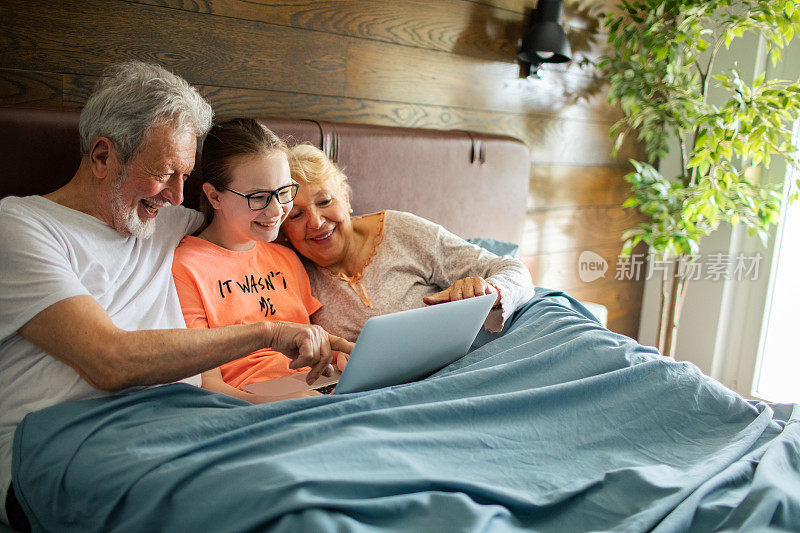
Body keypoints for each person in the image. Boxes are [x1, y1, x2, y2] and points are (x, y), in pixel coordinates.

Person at [0, 62, 351, 529]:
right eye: (165, 173)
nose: (178, 196)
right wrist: (267, 332)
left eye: (186, 177)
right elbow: (110, 361)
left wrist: (373, 233)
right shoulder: (21, 228)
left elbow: (255, 222)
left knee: (319, 480)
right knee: (263, 505)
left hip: (186, 419)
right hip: (65, 437)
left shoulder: (166, 222)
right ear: (102, 157)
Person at [281, 144, 536, 343]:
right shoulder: (286, 269)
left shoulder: (402, 231)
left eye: (324, 202)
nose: (315, 222)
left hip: (460, 363)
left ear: (345, 199)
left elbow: (516, 271)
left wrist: (491, 290)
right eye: (296, 214)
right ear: (281, 226)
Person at [172, 119, 340, 402]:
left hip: (320, 390)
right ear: (214, 196)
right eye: (259, 197)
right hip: (254, 401)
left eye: (284, 192)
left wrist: (344, 357)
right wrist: (284, 404)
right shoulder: (185, 267)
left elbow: (317, 346)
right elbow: (206, 383)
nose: (277, 210)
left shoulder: (286, 258)